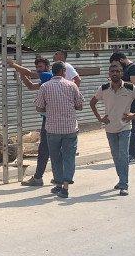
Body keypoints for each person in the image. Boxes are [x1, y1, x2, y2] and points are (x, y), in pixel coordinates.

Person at [89, 62, 135, 196]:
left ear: (122, 73)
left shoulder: (129, 87)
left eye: (117, 71)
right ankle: (121, 179)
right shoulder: (104, 88)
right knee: (116, 156)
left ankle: (124, 184)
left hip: (125, 127)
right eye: (112, 71)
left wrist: (134, 115)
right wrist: (100, 118)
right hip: (110, 127)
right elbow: (92, 103)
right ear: (109, 74)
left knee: (123, 155)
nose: (115, 73)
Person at [34, 61, 83, 199]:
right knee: (69, 158)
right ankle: (65, 187)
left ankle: (58, 184)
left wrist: (49, 108)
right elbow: (80, 106)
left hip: (52, 129)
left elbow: (38, 107)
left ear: (53, 71)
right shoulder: (72, 85)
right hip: (70, 129)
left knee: (55, 159)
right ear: (63, 71)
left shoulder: (44, 86)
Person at [7, 56, 54, 187]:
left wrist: (13, 65)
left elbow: (30, 73)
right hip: (48, 118)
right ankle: (57, 177)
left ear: (47, 67)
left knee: (45, 149)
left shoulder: (48, 75)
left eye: (41, 66)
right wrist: (22, 74)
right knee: (50, 148)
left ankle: (39, 178)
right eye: (37, 67)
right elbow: (31, 86)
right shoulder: (45, 80)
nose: (38, 69)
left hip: (50, 119)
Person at [110, 52, 135, 163]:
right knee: (126, 127)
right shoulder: (126, 69)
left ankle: (133, 154)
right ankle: (130, 153)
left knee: (131, 127)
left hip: (133, 102)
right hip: (124, 102)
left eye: (116, 64)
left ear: (121, 60)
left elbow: (134, 84)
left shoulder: (134, 68)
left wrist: (118, 81)